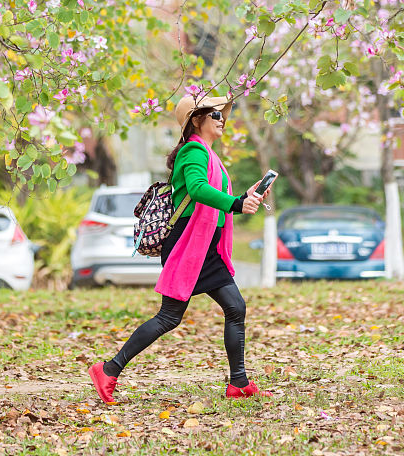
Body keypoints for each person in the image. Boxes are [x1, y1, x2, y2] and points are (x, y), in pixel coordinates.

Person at [88, 93, 272, 403]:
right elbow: (200, 191)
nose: (222, 118)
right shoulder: (193, 152)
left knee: (234, 308)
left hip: (204, 247)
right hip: (190, 245)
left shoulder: (207, 155)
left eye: (222, 113)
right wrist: (237, 204)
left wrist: (243, 195)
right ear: (196, 120)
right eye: (215, 113)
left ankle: (239, 382)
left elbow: (210, 197)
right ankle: (108, 369)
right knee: (169, 317)